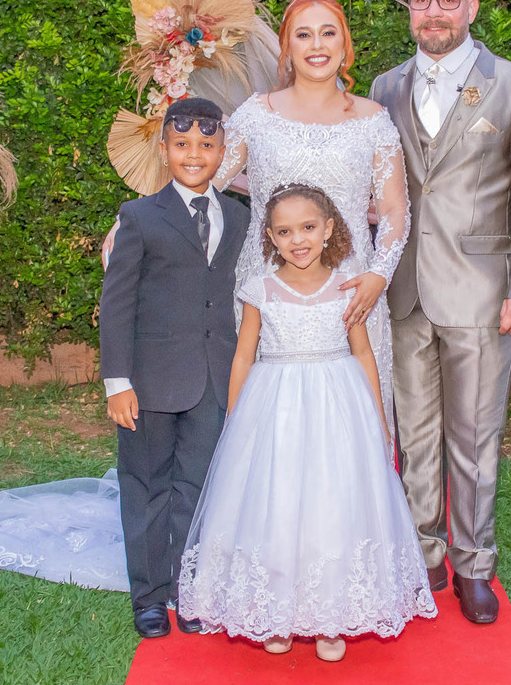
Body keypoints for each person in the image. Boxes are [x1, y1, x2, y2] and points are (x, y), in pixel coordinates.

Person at [369, 0, 511, 624]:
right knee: (414, 434)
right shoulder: (384, 89)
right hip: (404, 292)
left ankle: (474, 563)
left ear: (472, 7)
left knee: (475, 438)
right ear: (409, 8)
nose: (434, 12)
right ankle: (423, 554)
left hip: (482, 293)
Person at [177, 184, 436, 662]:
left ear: (329, 229)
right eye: (284, 231)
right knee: (275, 504)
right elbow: (243, 356)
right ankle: (276, 611)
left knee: (331, 503)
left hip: (337, 408)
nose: (298, 240)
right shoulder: (260, 290)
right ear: (271, 237)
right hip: (274, 409)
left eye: (308, 228)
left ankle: (328, 615)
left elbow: (363, 352)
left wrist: (378, 419)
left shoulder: (348, 285)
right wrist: (235, 420)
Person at [211, 0, 410, 424]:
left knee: (349, 420)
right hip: (269, 288)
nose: (317, 45)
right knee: (271, 419)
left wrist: (379, 274)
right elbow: (205, 181)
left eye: (328, 32)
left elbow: (395, 210)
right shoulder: (255, 115)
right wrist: (135, 217)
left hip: (351, 290)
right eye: (303, 34)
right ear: (286, 46)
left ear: (345, 44)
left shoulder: (373, 120)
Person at [99, 97, 250, 639]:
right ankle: (148, 596)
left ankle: (190, 590)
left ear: (223, 153)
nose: (194, 155)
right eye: (182, 144)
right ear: (164, 150)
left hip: (214, 378)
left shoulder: (240, 217)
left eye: (207, 145)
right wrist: (118, 382)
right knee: (146, 486)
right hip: (150, 381)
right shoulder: (139, 216)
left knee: (197, 487)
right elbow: (116, 304)